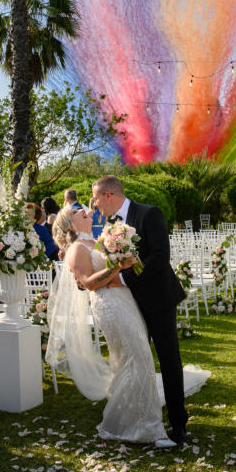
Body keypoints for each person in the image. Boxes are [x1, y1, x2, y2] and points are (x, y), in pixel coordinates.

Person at [47, 206, 208, 446]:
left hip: (126, 301)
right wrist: (118, 268)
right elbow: (88, 283)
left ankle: (129, 417)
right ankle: (148, 428)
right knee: (140, 357)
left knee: (132, 359)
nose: (84, 210)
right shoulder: (76, 249)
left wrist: (126, 263)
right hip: (109, 307)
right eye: (77, 213)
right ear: (70, 225)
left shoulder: (97, 241)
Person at [92, 175, 191, 444]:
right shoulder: (110, 224)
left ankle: (178, 421)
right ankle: (138, 419)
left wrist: (123, 279)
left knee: (168, 359)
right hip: (129, 304)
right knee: (136, 361)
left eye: (97, 199)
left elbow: (160, 255)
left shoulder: (149, 213)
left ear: (108, 196)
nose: (95, 206)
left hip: (158, 299)